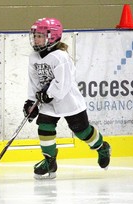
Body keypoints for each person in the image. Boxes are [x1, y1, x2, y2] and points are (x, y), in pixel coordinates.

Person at [23, 18, 111, 179]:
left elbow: (62, 85)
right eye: (35, 35)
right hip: (48, 102)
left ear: (52, 36)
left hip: (68, 100)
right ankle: (50, 161)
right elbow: (34, 81)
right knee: (44, 127)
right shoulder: (33, 57)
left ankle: (101, 147)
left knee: (82, 132)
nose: (36, 39)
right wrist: (30, 101)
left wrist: (48, 94)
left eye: (40, 36)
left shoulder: (60, 57)